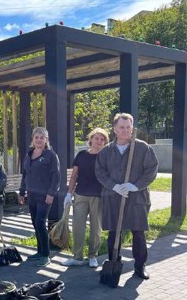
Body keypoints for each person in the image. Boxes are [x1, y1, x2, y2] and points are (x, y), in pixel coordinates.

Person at [95, 112, 158, 280]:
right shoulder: (106, 151)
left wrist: (134, 185)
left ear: (132, 128)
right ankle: (114, 263)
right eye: (121, 127)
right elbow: (100, 172)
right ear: (115, 129)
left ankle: (140, 266)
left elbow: (151, 170)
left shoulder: (142, 148)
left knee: (138, 232)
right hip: (113, 197)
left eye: (128, 127)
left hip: (137, 198)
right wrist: (114, 186)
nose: (125, 130)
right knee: (114, 233)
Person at [64, 128, 109, 268]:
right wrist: (69, 193)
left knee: (96, 228)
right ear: (90, 139)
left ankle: (92, 256)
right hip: (81, 195)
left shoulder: (105, 157)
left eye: (102, 139)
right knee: (78, 227)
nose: (99, 141)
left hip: (98, 196)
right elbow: (74, 176)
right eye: (96, 138)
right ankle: (77, 257)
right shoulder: (81, 155)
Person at [18, 127, 60, 266]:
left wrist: (51, 194)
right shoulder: (29, 154)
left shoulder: (50, 155)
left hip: (45, 196)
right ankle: (39, 251)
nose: (39, 140)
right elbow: (25, 175)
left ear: (46, 140)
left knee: (41, 222)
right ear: (33, 139)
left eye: (42, 137)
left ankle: (46, 255)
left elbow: (56, 176)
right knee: (35, 223)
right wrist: (22, 192)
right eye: (37, 137)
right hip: (32, 195)